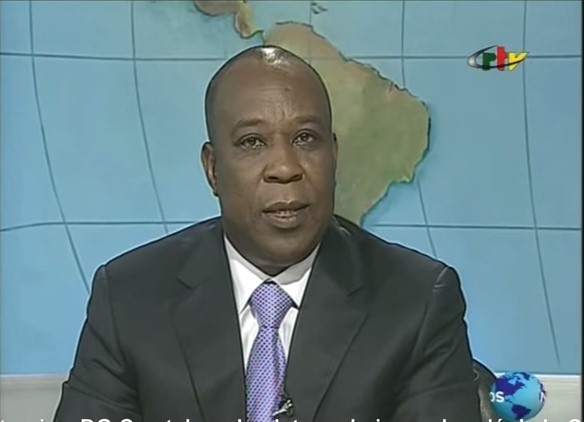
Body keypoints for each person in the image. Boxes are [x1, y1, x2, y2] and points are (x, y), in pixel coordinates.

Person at [54, 45, 481, 422]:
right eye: (253, 142)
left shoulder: (417, 302)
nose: (285, 168)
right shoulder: (130, 298)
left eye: (306, 138)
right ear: (213, 169)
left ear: (333, 155)